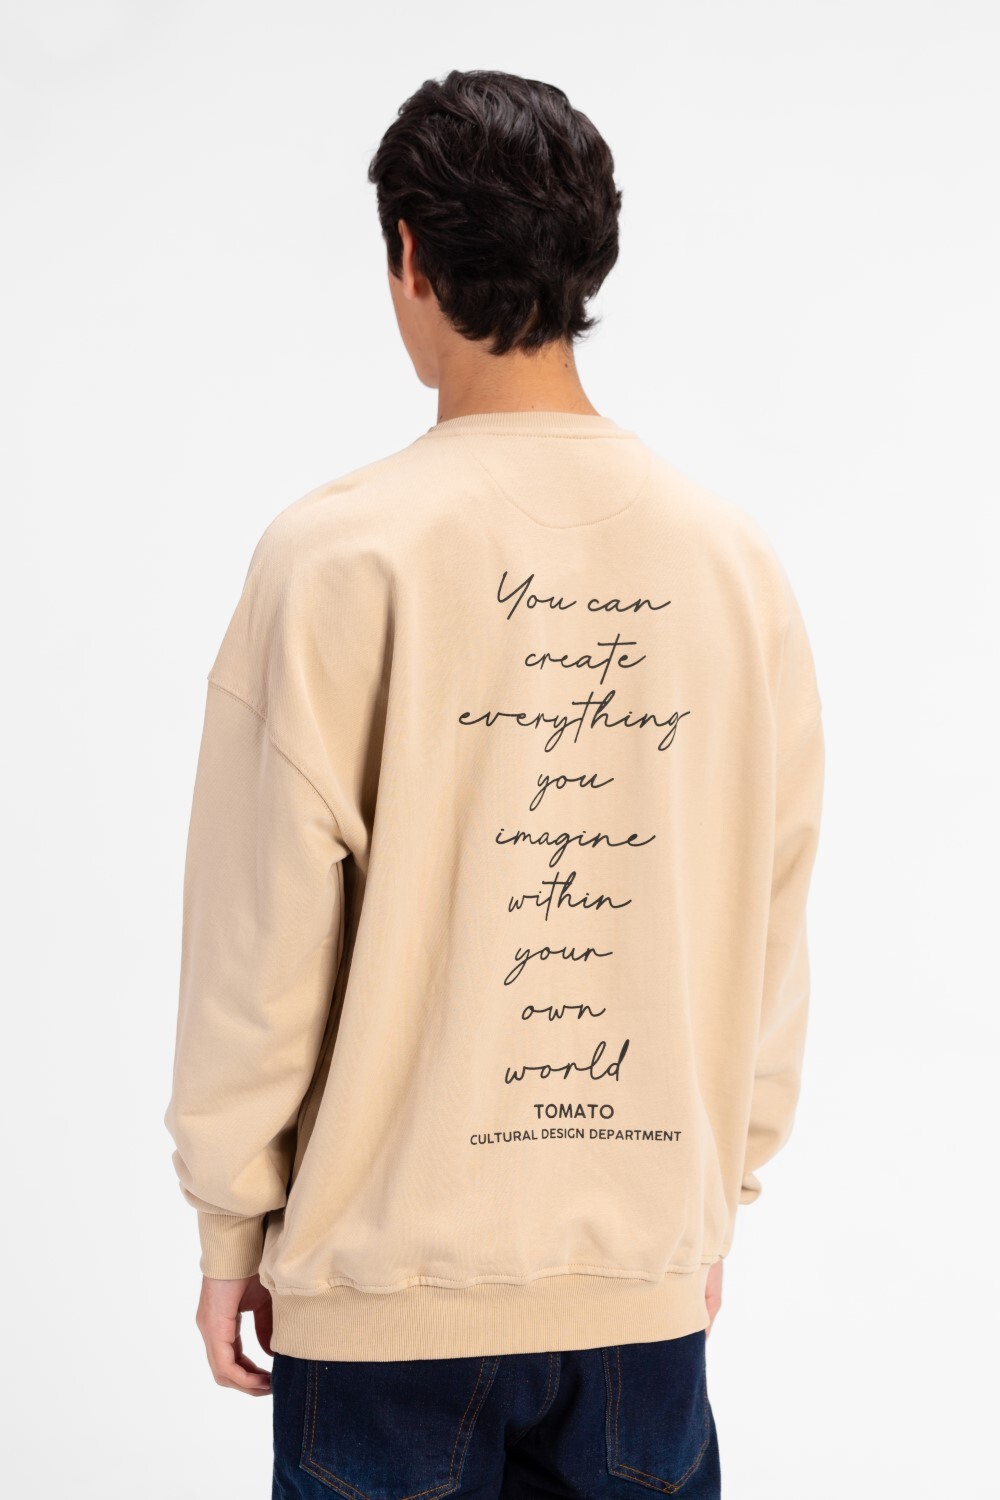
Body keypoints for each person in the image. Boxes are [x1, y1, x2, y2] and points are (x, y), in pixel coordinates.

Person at [164, 68, 825, 1499]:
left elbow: (258, 953)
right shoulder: (732, 565)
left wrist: (230, 1229)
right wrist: (709, 1200)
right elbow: (770, 922)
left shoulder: (338, 556)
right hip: (647, 1298)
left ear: (409, 255)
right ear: (593, 256)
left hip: (388, 1304)